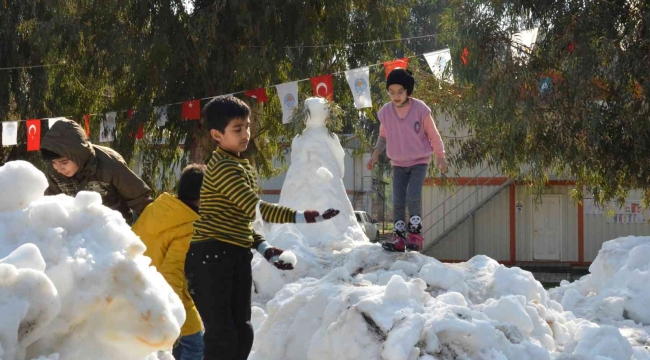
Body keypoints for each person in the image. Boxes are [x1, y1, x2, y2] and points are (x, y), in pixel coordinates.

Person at [184, 96, 339, 360]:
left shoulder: (240, 165)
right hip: (211, 258)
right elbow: (257, 209)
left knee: (243, 332)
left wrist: (266, 250)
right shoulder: (222, 167)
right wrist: (305, 216)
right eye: (238, 129)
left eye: (247, 126)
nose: (246, 133)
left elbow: (240, 223)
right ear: (216, 135)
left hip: (234, 255)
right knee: (222, 336)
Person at [367, 68, 448, 252]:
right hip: (398, 163)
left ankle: (415, 236)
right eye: (392, 92)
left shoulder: (420, 109)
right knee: (397, 200)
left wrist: (441, 157)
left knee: (413, 196)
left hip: (419, 161)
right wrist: (375, 155)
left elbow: (433, 135)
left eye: (400, 92)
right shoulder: (386, 112)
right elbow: (382, 136)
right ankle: (399, 238)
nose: (396, 96)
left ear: (408, 91)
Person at [132, 164, 206, 360]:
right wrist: (173, 316)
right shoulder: (188, 227)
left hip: (136, 291)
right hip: (168, 300)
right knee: (196, 344)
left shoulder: (157, 208)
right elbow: (171, 274)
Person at [41, 119, 152, 224]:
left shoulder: (110, 164)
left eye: (64, 162)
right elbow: (53, 205)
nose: (59, 168)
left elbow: (140, 200)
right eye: (54, 163)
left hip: (115, 232)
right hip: (77, 234)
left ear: (79, 155)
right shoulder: (53, 171)